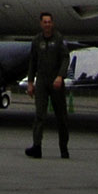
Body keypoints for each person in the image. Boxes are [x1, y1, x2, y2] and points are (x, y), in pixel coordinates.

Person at [24, 12, 70, 159]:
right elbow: (32, 62)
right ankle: (37, 147)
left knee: (61, 117)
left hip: (56, 81)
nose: (47, 24)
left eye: (49, 22)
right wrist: (30, 83)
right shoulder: (37, 41)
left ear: (53, 23)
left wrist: (60, 76)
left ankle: (64, 148)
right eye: (45, 22)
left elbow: (65, 58)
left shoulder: (59, 39)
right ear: (41, 24)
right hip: (42, 81)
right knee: (39, 115)